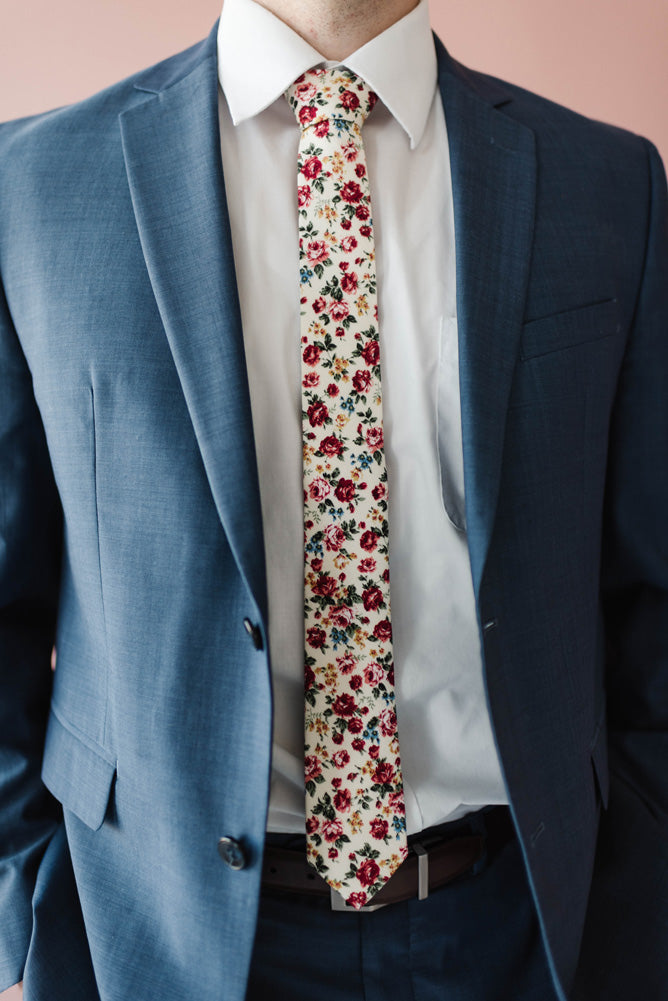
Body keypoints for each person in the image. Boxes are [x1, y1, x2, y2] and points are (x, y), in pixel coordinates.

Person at [0, 0, 666, 998]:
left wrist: (635, 908)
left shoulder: (604, 185)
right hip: (151, 934)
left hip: (523, 932)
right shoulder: (34, 186)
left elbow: (650, 595)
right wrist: (26, 893)